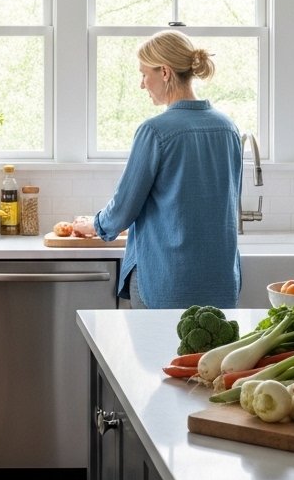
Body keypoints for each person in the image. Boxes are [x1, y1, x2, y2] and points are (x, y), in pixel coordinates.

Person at [92, 30, 243, 309]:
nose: (141, 84)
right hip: (220, 285)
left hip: (165, 283)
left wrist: (95, 224)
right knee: (210, 354)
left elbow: (124, 209)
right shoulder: (229, 128)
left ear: (164, 72)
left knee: (156, 353)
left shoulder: (155, 131)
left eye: (143, 73)